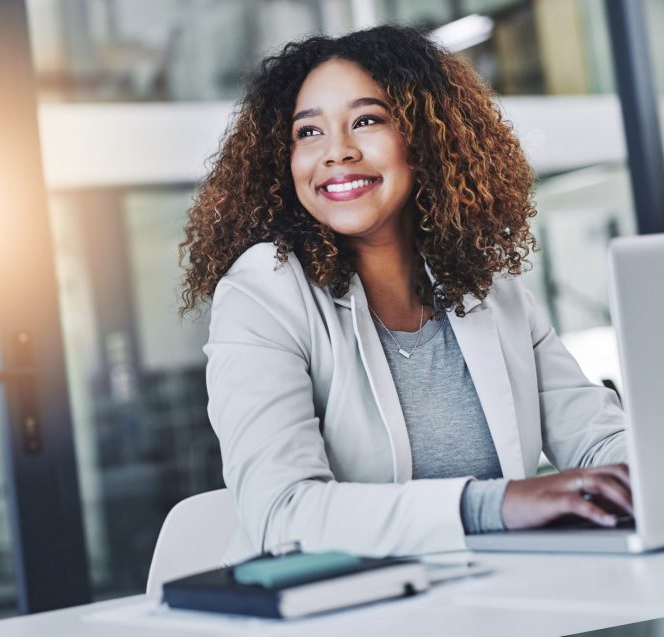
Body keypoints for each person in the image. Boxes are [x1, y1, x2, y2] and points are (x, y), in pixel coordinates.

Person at [179, 25, 632, 564]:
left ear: (424, 139)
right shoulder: (264, 292)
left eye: (366, 120)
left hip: (498, 600)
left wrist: (651, 470)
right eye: (308, 132)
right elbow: (283, 514)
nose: (337, 152)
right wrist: (496, 505)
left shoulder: (485, 285)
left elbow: (597, 438)